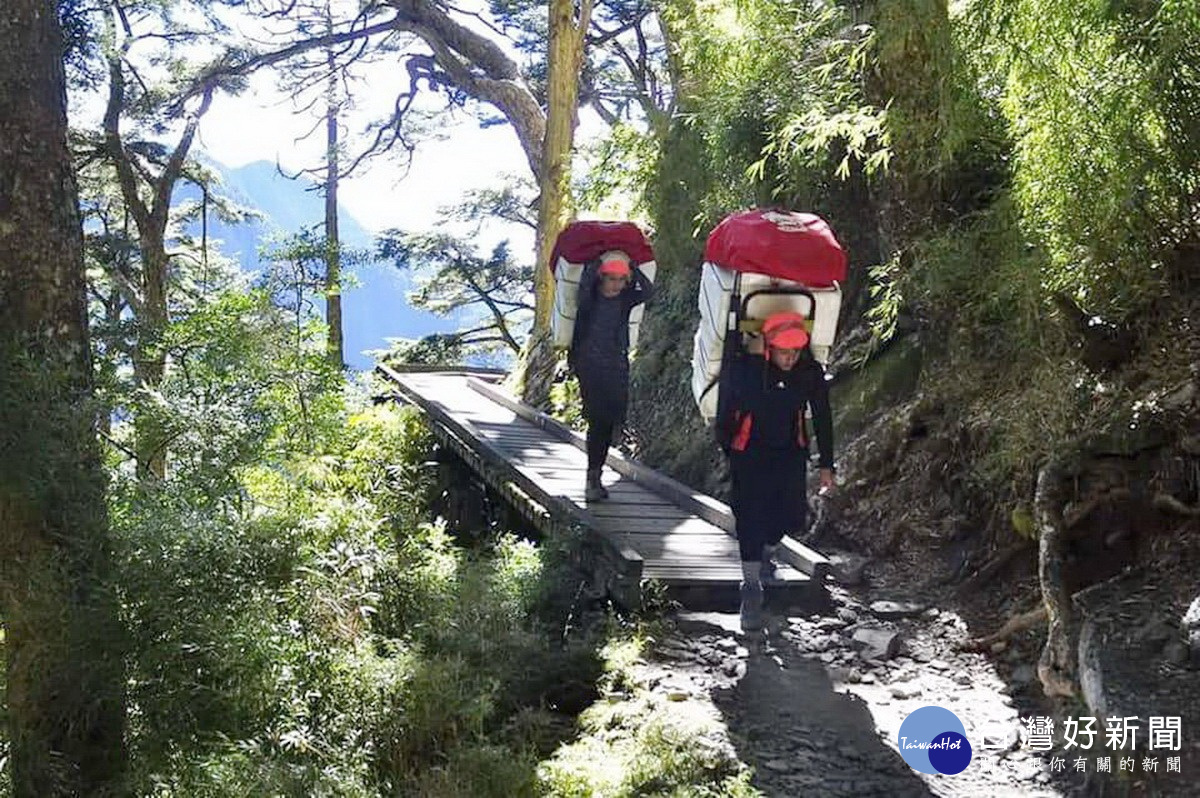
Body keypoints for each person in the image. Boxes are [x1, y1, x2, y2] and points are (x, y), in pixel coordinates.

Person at [716, 311, 835, 631]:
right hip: (750, 453)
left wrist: (827, 463)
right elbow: (728, 408)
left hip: (789, 453)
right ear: (768, 347)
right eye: (784, 351)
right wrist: (728, 450)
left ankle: (768, 551)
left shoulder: (808, 372)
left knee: (792, 517)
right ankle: (751, 590)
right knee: (750, 519)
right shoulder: (747, 369)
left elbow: (822, 415)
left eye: (795, 351)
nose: (790, 358)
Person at [569, 249, 654, 501]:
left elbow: (648, 292)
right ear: (602, 278)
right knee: (598, 420)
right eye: (611, 279)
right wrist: (595, 262)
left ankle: (596, 474)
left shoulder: (626, 299)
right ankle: (592, 478)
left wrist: (633, 266)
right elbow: (585, 284)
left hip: (616, 365)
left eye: (621, 280)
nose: (616, 285)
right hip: (589, 366)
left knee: (611, 421)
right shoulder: (589, 298)